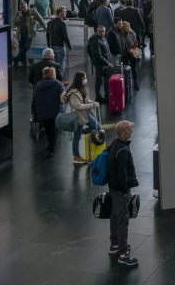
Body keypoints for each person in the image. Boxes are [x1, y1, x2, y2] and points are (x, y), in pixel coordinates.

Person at [106, 120, 140, 268]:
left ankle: (114, 244)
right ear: (122, 133)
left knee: (114, 215)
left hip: (113, 187)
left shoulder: (115, 144)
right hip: (120, 189)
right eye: (128, 130)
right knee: (122, 219)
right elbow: (122, 174)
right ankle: (123, 253)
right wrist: (126, 191)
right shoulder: (123, 151)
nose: (130, 132)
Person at [62, 71, 102, 164]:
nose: (85, 80)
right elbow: (78, 106)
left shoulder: (82, 88)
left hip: (84, 114)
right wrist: (92, 105)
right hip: (79, 116)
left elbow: (85, 100)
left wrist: (92, 102)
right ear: (80, 79)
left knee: (79, 135)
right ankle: (76, 157)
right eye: (84, 78)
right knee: (97, 127)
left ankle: (77, 155)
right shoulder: (73, 93)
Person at [32, 66, 65, 157]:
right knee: (53, 131)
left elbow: (34, 100)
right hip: (55, 112)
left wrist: (34, 113)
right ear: (53, 74)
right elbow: (62, 99)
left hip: (42, 113)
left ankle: (50, 145)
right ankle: (52, 148)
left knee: (47, 129)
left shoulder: (38, 85)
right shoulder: (58, 84)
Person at [87, 24, 116, 102]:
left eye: (103, 31)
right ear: (97, 31)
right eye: (100, 31)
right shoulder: (95, 40)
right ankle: (98, 97)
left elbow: (107, 51)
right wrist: (107, 63)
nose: (102, 33)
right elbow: (98, 55)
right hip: (100, 64)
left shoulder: (103, 38)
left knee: (106, 79)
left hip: (104, 62)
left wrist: (109, 61)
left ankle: (106, 95)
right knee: (99, 81)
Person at [14, 1, 46, 67]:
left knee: (26, 47)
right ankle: (24, 65)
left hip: (29, 33)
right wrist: (19, 17)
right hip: (20, 34)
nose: (23, 9)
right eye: (21, 8)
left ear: (27, 6)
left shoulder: (33, 11)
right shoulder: (19, 13)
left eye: (24, 8)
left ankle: (16, 58)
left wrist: (45, 27)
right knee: (22, 50)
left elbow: (40, 19)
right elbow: (15, 23)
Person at [45, 7, 72, 72]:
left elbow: (47, 35)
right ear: (60, 13)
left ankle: (53, 77)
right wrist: (69, 46)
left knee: (53, 64)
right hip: (60, 46)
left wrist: (48, 45)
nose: (66, 13)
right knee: (60, 64)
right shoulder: (62, 23)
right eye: (64, 12)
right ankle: (59, 79)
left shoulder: (50, 22)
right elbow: (65, 36)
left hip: (52, 46)